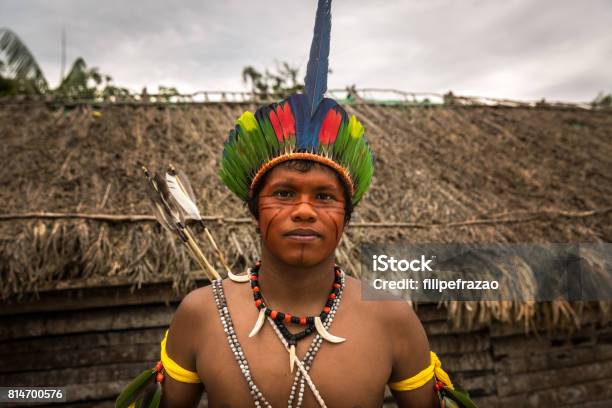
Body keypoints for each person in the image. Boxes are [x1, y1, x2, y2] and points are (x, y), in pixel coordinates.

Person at [117, 1, 476, 407]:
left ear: (346, 217)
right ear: (254, 212)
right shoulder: (201, 314)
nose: (304, 210)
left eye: (324, 197)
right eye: (284, 194)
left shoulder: (393, 318)